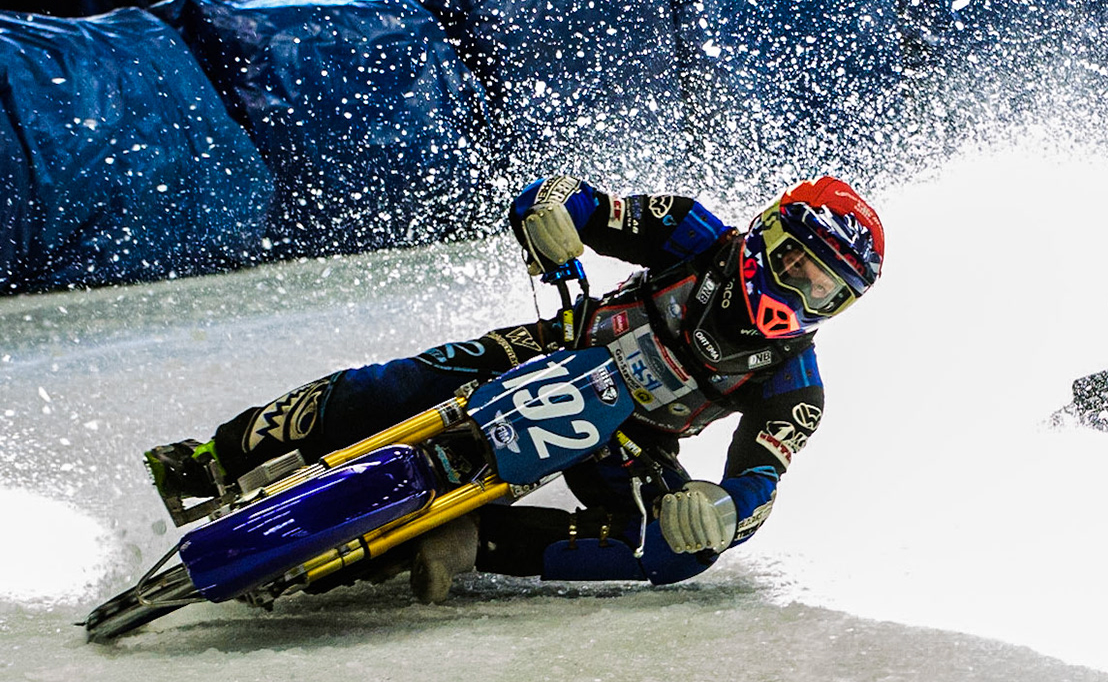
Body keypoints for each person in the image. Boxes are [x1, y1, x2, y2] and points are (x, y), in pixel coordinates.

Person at [144, 175, 884, 602]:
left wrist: (724, 510)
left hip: (632, 442)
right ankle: (219, 452)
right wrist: (552, 215)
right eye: (798, 267)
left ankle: (468, 540)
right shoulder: (693, 234)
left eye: (826, 293)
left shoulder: (796, 388)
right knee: (398, 383)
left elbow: (760, 481)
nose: (800, 295)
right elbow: (575, 199)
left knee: (683, 556)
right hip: (558, 342)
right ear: (766, 237)